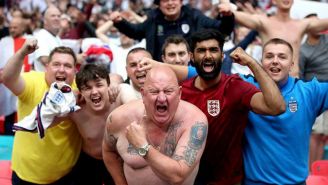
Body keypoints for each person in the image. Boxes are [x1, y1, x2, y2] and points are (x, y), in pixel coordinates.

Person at [138, 29, 285, 185]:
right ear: (192, 57)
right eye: (201, 51)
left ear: (222, 56)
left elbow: (276, 107)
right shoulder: (181, 91)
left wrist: (251, 63)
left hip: (228, 181)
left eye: (213, 50)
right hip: (188, 179)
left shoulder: (235, 86)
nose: (208, 56)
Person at [239, 38, 328, 184]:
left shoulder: (309, 92)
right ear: (260, 62)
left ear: (292, 64)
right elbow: (200, 75)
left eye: (282, 57)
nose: (275, 61)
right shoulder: (244, 86)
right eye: (269, 56)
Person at [102, 66, 208, 185]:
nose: (162, 98)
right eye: (154, 91)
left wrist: (142, 146)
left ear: (179, 93)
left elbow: (177, 176)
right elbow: (108, 151)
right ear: (143, 94)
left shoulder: (194, 121)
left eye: (168, 91)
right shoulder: (119, 118)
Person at [2, 39, 81, 184]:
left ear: (75, 71)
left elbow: (107, 82)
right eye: (56, 64)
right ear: (46, 67)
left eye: (68, 66)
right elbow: (7, 78)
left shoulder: (81, 89)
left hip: (65, 176)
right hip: (25, 175)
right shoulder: (33, 81)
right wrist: (22, 53)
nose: (62, 69)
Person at [65, 63, 137, 185]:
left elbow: (136, 107)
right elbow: (42, 121)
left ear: (108, 85)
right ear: (80, 91)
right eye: (87, 88)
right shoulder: (75, 108)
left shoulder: (119, 96)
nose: (94, 92)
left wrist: (119, 85)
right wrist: (64, 98)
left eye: (99, 85)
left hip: (120, 159)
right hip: (90, 162)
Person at [109, 0, 235, 61]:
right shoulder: (153, 18)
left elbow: (222, 30)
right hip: (159, 72)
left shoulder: (194, 16)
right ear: (158, 4)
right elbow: (135, 32)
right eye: (165, 0)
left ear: (181, 2)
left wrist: (228, 16)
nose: (170, 3)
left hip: (190, 71)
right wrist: (120, 22)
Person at [231, 0, 328, 77]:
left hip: (293, 82)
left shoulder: (301, 24)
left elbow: (323, 23)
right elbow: (234, 14)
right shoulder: (264, 22)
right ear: (273, 1)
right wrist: (226, 6)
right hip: (269, 83)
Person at [299, 13, 328, 170]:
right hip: (314, 94)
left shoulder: (327, 40)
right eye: (312, 22)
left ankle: (320, 168)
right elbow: (300, 76)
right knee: (315, 134)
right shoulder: (303, 50)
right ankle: (311, 171)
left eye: (319, 21)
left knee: (324, 135)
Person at [0, 16, 34, 135]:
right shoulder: (4, 41)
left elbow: (33, 62)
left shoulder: (30, 40)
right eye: (10, 27)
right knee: (9, 112)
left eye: (15, 27)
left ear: (22, 28)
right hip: (7, 83)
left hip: (25, 82)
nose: (12, 29)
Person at [33, 6, 62, 71]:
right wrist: (70, 60)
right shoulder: (41, 35)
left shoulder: (57, 38)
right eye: (53, 16)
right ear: (45, 21)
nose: (56, 18)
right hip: (43, 80)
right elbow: (45, 59)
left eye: (59, 16)